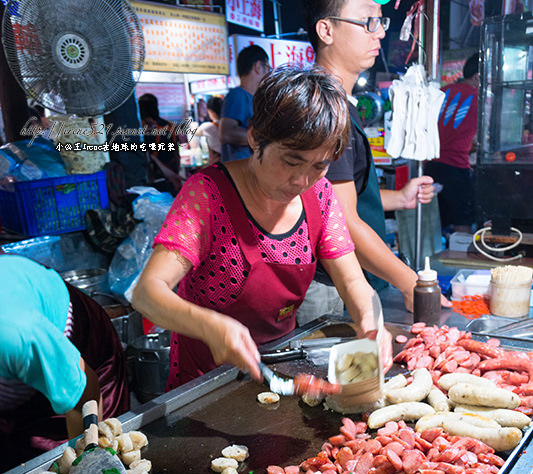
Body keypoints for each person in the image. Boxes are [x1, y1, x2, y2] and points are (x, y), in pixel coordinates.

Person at [132, 66, 391, 390]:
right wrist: (213, 327)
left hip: (283, 368)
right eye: (291, 161)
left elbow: (352, 280)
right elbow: (147, 292)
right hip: (206, 382)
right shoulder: (207, 194)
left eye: (319, 165)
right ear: (255, 137)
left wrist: (371, 320)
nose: (301, 180)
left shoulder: (320, 195)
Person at [300, 0, 439, 322]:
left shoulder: (340, 103)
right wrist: (410, 283)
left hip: (345, 278)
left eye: (380, 23)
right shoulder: (325, 107)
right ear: (326, 30)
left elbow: (336, 196)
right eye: (367, 23)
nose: (378, 35)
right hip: (329, 286)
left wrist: (399, 198)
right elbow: (343, 220)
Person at [0, 256, 129, 473]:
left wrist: (81, 469)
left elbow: (85, 396)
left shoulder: (16, 334)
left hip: (71, 349)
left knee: (52, 461)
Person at [425, 53, 479, 233]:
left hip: (430, 167)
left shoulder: (442, 92)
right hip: (456, 168)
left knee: (434, 222)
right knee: (462, 220)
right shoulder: (478, 97)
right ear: (478, 77)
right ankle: (457, 258)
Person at [219, 44, 270, 162]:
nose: (268, 73)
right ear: (258, 66)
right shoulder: (237, 95)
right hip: (238, 173)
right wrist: (265, 139)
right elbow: (226, 134)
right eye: (267, 67)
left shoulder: (252, 98)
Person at [138, 93, 182, 196]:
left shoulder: (145, 130)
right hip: (173, 170)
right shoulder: (170, 126)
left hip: (156, 176)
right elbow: (177, 150)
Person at [191, 96, 223, 164]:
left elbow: (194, 132)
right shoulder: (228, 124)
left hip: (217, 161)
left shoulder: (209, 127)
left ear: (211, 112)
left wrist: (192, 124)